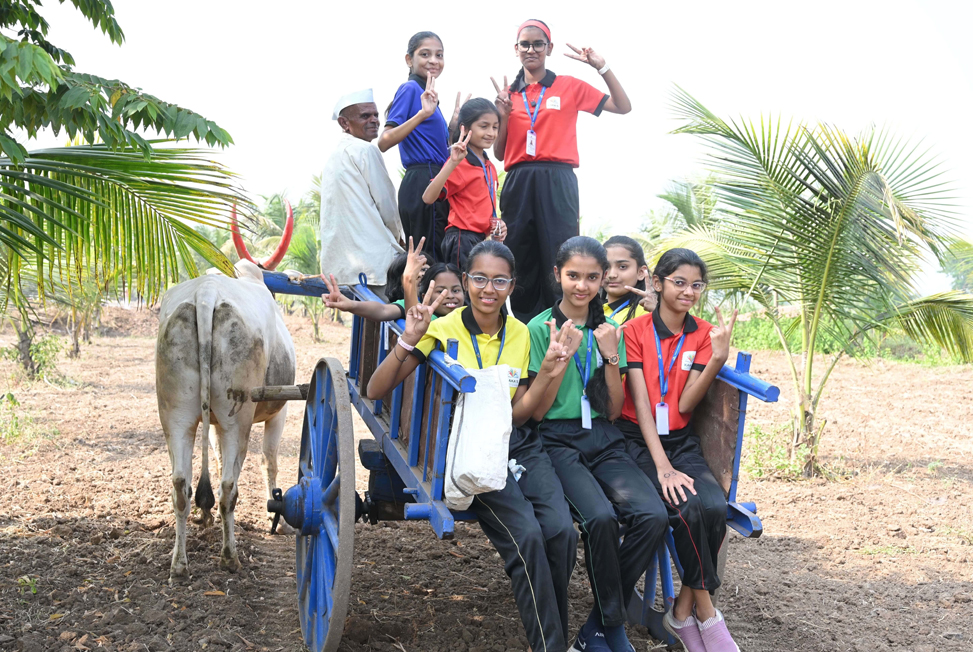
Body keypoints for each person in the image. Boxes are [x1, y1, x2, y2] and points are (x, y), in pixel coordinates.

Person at [365, 241, 581, 652]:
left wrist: (551, 371)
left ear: (512, 286)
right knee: (528, 537)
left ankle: (554, 635)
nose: (489, 288)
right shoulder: (441, 329)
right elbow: (376, 388)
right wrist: (410, 339)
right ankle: (552, 647)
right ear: (466, 281)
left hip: (514, 442)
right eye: (479, 278)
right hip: (465, 452)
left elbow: (520, 415)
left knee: (562, 533)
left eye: (500, 280)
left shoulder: (519, 334)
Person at [526, 236, 668, 652]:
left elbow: (612, 409)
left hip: (602, 437)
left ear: (604, 278)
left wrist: (609, 356)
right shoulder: (540, 328)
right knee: (600, 520)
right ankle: (614, 626)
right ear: (558, 275)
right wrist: (559, 361)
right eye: (573, 276)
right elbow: (536, 413)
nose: (582, 286)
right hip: (555, 437)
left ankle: (597, 626)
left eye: (591, 277)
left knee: (652, 516)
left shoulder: (610, 332)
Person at [617, 248, 740, 652]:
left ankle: (682, 609)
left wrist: (718, 358)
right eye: (679, 282)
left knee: (714, 507)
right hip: (639, 438)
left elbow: (685, 404)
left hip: (681, 438)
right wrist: (663, 468)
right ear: (657, 282)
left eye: (697, 285)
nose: (689, 291)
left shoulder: (705, 334)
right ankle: (704, 611)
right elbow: (642, 405)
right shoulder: (634, 332)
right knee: (686, 507)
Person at [491, 19, 632, 319]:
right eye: (525, 44)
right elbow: (500, 152)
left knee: (562, 256)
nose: (531, 49)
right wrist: (502, 114)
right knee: (521, 262)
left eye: (538, 44)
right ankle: (529, 332)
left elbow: (623, 106)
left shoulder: (568, 85)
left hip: (558, 180)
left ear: (549, 48)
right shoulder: (507, 95)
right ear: (516, 50)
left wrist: (601, 67)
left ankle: (564, 329)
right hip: (518, 180)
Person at [380, 32, 467, 263]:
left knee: (437, 256)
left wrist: (452, 126)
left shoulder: (429, 96)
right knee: (429, 261)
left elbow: (436, 147)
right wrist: (421, 114)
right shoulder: (410, 89)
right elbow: (384, 140)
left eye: (439, 55)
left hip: (435, 177)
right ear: (409, 59)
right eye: (425, 54)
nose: (433, 60)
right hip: (422, 179)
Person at [319, 89, 404, 301]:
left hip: (341, 269)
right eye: (365, 116)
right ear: (344, 123)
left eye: (376, 115)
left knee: (367, 325)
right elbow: (387, 206)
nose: (374, 120)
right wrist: (398, 239)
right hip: (375, 264)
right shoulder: (365, 151)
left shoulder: (335, 156)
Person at [422, 98, 508, 269]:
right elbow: (428, 197)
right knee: (464, 293)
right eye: (484, 126)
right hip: (462, 239)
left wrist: (498, 224)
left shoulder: (489, 166)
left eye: (495, 127)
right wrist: (452, 163)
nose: (491, 133)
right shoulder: (460, 162)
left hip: (481, 239)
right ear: (465, 128)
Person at [602, 235, 657, 323]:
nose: (612, 275)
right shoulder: (591, 311)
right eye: (606, 267)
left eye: (622, 266)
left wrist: (657, 313)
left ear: (641, 272)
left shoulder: (649, 312)